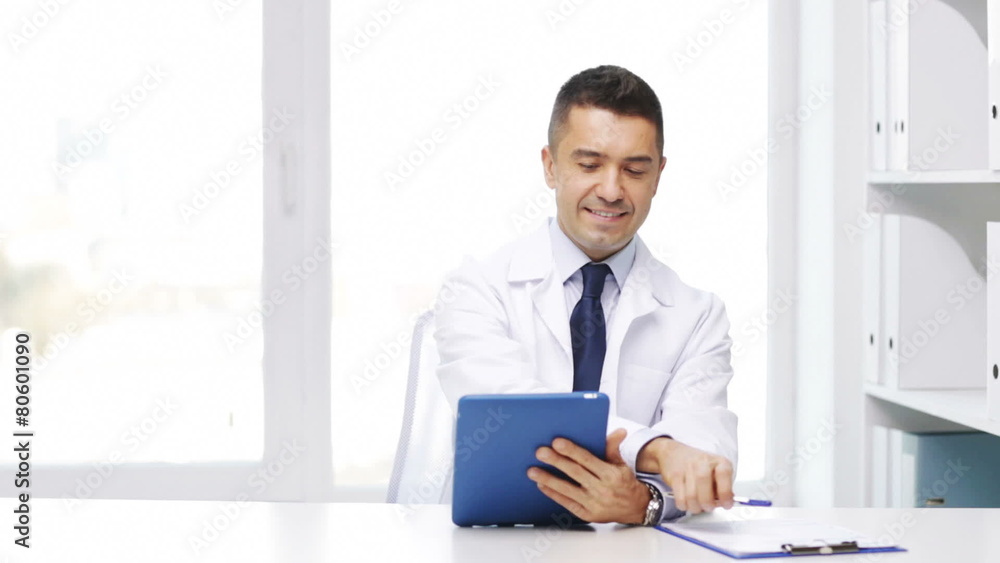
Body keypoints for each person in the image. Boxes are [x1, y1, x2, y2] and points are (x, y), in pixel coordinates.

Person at [433, 65, 737, 525]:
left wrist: (646, 503)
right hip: (497, 539)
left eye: (634, 170)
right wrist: (657, 449)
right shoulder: (478, 288)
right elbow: (515, 414)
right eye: (589, 165)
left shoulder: (697, 315)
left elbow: (704, 455)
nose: (611, 190)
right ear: (550, 166)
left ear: (658, 175)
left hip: (632, 547)